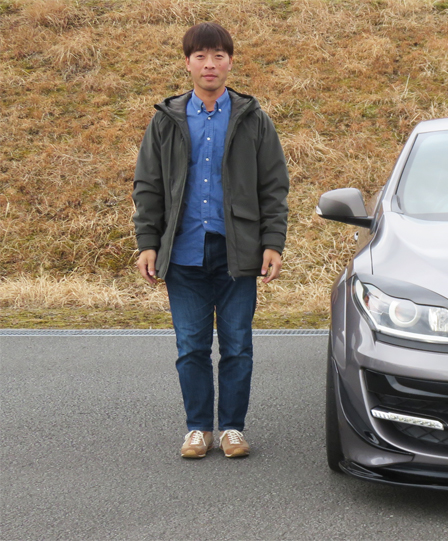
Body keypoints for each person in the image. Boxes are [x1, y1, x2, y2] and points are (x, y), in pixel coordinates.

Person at [132, 22, 289, 459]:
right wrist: (148, 242)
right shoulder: (166, 120)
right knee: (191, 348)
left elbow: (273, 187)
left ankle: (232, 429)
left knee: (237, 346)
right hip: (183, 254)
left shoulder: (253, 120)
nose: (209, 64)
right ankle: (198, 429)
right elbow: (148, 186)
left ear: (230, 62)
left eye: (218, 55)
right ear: (188, 63)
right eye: (200, 56)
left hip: (238, 252)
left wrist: (273, 243)